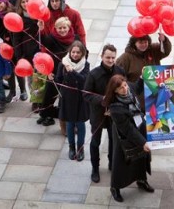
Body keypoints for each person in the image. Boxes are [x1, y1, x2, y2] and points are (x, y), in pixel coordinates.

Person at [103, 74, 153, 202]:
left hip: (139, 128)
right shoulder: (115, 108)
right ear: (115, 91)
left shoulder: (129, 88)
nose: (125, 89)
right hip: (123, 136)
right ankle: (115, 187)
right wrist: (143, 142)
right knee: (121, 162)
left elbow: (136, 87)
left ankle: (141, 180)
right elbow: (128, 129)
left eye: (125, 85)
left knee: (141, 158)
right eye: (120, 88)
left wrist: (142, 76)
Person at [83, 44, 125, 183]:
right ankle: (95, 168)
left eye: (113, 57)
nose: (111, 60)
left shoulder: (120, 71)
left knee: (114, 140)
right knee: (95, 142)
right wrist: (102, 100)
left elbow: (125, 89)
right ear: (102, 56)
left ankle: (112, 163)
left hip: (115, 113)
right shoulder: (93, 74)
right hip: (98, 113)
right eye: (108, 57)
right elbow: (86, 95)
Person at [37, 17, 78, 128]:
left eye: (64, 27)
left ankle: (57, 115)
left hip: (69, 74)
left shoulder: (75, 39)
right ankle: (45, 114)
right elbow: (43, 42)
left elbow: (83, 53)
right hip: (54, 72)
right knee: (48, 95)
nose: (62, 30)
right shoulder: (52, 38)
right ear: (55, 28)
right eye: (59, 28)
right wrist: (41, 29)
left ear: (69, 28)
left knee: (65, 98)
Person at [55, 40, 90, 161]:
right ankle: (71, 148)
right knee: (69, 124)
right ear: (70, 52)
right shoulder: (63, 64)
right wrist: (52, 77)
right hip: (67, 98)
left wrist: (72, 71)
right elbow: (59, 79)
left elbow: (83, 79)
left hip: (80, 98)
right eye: (73, 52)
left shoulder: (86, 65)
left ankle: (80, 148)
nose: (75, 55)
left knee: (80, 124)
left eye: (78, 53)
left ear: (82, 54)